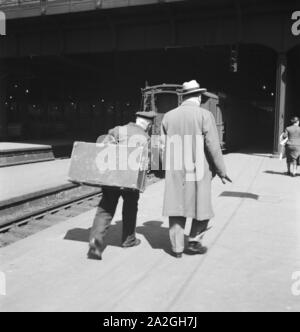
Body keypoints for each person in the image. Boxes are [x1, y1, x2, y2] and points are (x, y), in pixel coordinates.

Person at [161, 80, 232, 258]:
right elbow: (213, 146)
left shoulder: (168, 116)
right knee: (202, 207)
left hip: (176, 169)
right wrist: (222, 171)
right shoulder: (205, 115)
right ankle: (193, 241)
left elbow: (160, 146)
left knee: (177, 207)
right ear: (199, 96)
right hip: (199, 169)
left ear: (184, 97)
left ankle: (176, 249)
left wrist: (165, 169)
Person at [88, 111, 156, 260]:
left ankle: (95, 242)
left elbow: (104, 142)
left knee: (105, 208)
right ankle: (128, 240)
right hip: (130, 180)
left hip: (111, 177)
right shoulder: (145, 138)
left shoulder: (119, 129)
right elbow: (148, 162)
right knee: (130, 208)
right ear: (148, 124)